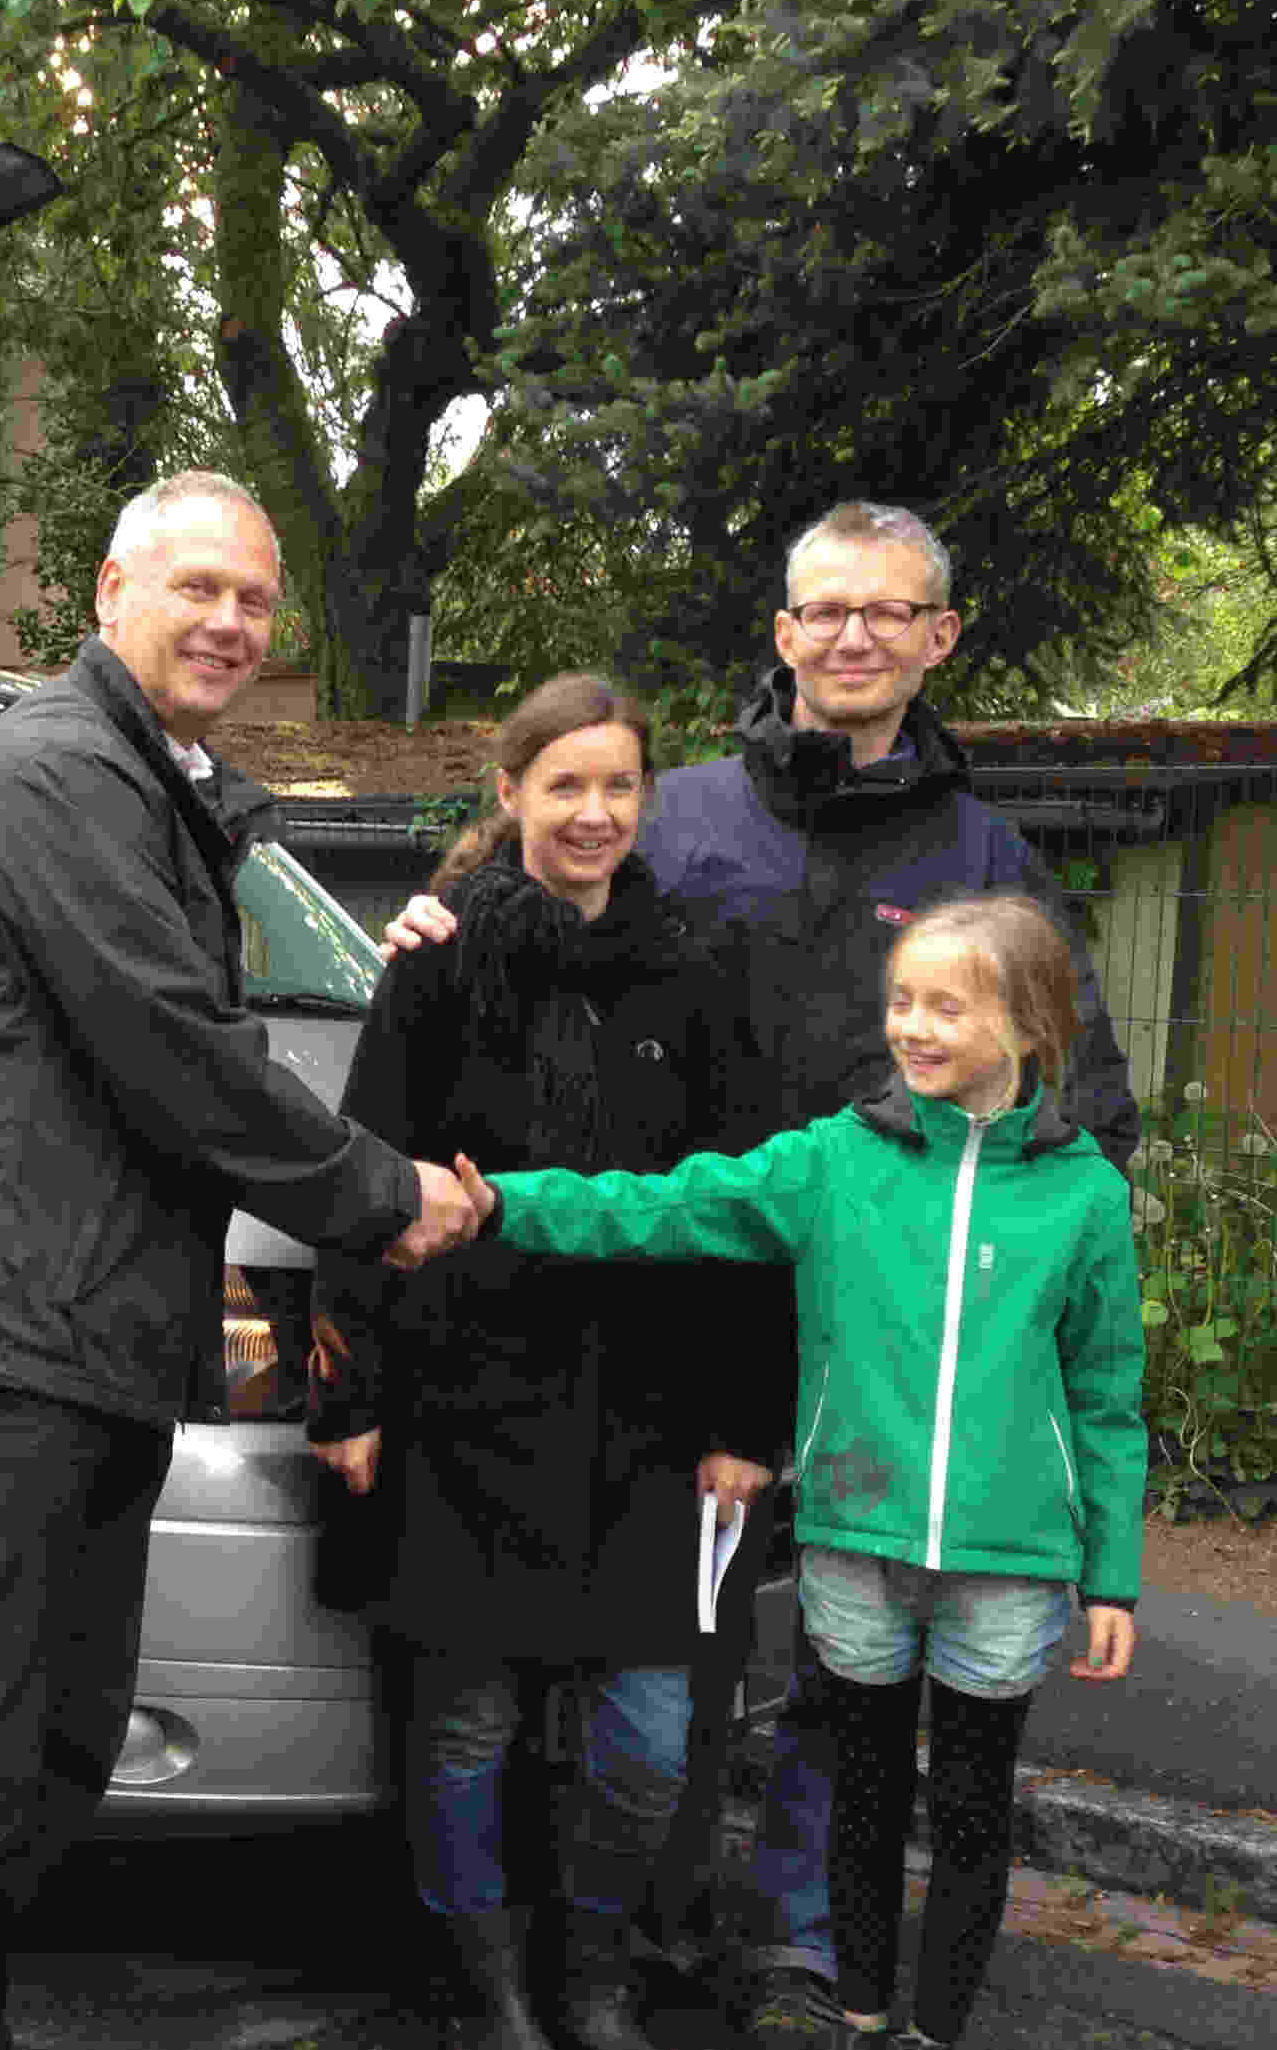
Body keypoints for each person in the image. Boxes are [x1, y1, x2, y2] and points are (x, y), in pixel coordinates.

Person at [382, 501, 1139, 2042]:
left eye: (888, 612)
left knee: (830, 1674)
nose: (852, 635)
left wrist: (998, 1285)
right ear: (782, 632)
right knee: (680, 1661)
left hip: (880, 1340)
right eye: (824, 610)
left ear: (937, 639)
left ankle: (800, 1946)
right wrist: (423, 916)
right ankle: (653, 1930)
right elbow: (535, 868)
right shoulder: (685, 814)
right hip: (683, 1301)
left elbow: (1078, 1096)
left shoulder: (978, 852)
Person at [0, 471, 483, 2050]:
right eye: (196, 587)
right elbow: (175, 1049)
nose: (230, 621)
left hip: (71, 1333)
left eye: (253, 598)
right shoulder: (57, 775)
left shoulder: (151, 784)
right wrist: (384, 1198)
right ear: (110, 592)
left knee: (47, 1750)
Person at [459, 892, 1145, 2047]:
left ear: (1028, 1027)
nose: (911, 1028)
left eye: (944, 1007)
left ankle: (934, 2030)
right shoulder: (837, 1160)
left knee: (973, 1812)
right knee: (863, 1803)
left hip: (1010, 1557)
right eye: (900, 1003)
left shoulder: (1084, 1195)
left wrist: (1111, 1576)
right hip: (856, 1541)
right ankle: (862, 2018)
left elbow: (1106, 1397)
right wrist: (502, 1203)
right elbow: (672, 1204)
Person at [307, 673, 785, 2050]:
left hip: (647, 1422)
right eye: (562, 784)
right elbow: (363, 1183)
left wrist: (743, 1420)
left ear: (646, 797)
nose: (591, 812)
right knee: (460, 1729)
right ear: (507, 791)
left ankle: (597, 1976)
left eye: (617, 785)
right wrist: (348, 1395)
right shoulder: (434, 965)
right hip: (465, 1406)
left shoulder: (700, 970)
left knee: (643, 1738)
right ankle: (496, 1995)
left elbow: (749, 1213)